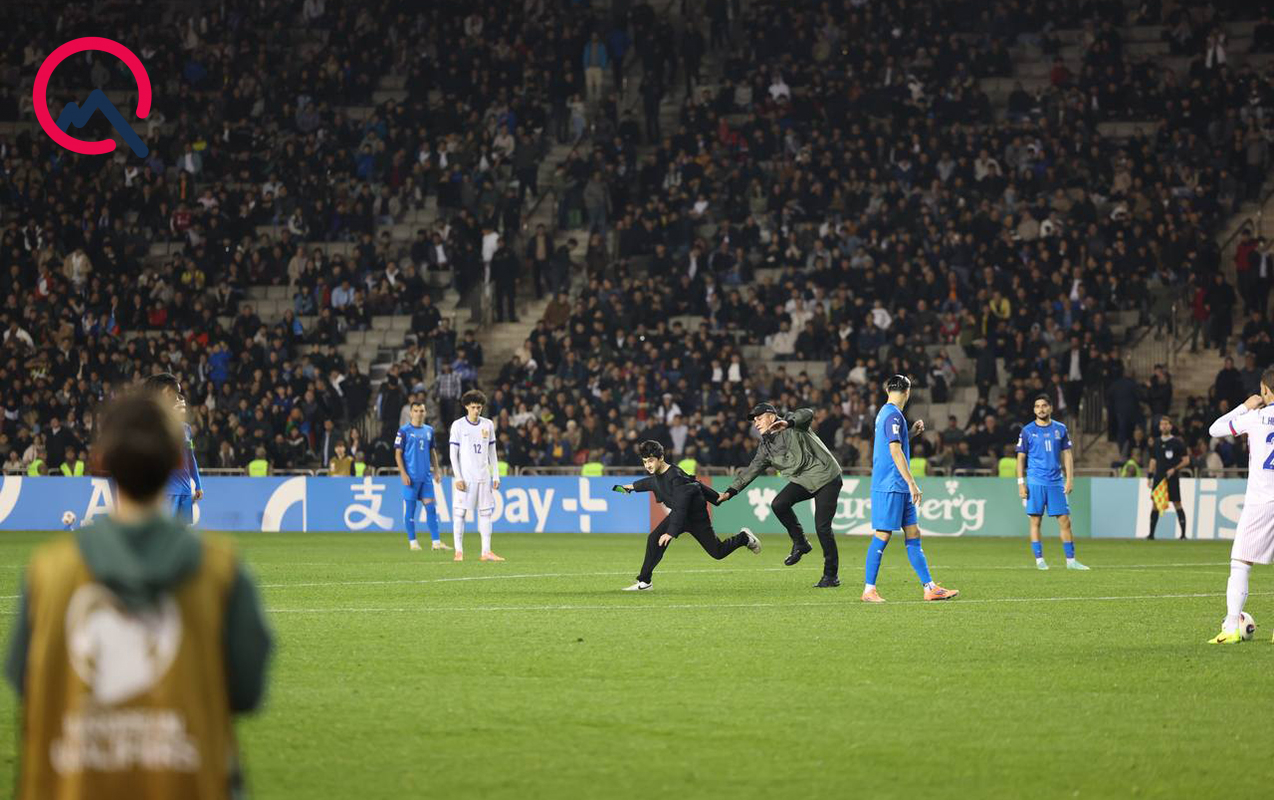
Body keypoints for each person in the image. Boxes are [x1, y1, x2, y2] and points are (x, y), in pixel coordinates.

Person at [4, 390, 272, 797]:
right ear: (171, 459)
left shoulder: (48, 573)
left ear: (101, 462)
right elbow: (249, 691)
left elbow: (23, 680)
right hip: (187, 781)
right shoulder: (221, 570)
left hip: (79, 784)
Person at [716, 403, 843, 588]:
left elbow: (807, 413)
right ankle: (801, 543)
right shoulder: (766, 446)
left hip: (827, 477)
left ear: (771, 416)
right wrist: (730, 492)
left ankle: (831, 576)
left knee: (822, 527)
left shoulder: (793, 423)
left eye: (759, 419)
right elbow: (751, 471)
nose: (756, 424)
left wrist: (788, 423)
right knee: (779, 504)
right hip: (805, 481)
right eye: (754, 421)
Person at [861, 375, 959, 603]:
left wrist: (910, 433)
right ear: (908, 391)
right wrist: (912, 482)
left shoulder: (888, 414)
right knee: (883, 535)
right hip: (891, 485)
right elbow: (895, 451)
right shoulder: (893, 414)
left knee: (913, 533)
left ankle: (930, 587)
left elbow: (894, 443)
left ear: (888, 389)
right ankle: (869, 589)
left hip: (897, 485)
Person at [615, 441, 759, 591]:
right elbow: (652, 483)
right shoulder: (660, 473)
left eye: (650, 461)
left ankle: (744, 538)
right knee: (653, 539)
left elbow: (681, 508)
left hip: (696, 518)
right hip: (680, 515)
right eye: (645, 462)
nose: (647, 465)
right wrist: (631, 487)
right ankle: (645, 582)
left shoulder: (675, 477)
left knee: (718, 552)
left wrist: (670, 532)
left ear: (661, 458)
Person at [1205, 369, 1274, 644]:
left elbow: (1215, 429)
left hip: (1260, 501)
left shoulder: (1255, 417)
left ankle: (1232, 627)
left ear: (1265, 390)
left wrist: (1245, 405)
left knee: (1241, 563)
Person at [1017, 395, 1087, 570]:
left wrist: (1069, 479)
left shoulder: (1061, 429)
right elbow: (1020, 458)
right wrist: (1020, 483)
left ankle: (1071, 561)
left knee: (1065, 521)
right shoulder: (1027, 431)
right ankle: (1039, 560)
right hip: (1035, 482)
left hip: (1056, 481)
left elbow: (1068, 454)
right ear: (1034, 410)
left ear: (1050, 408)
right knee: (1035, 521)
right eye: (1037, 406)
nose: (1041, 409)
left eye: (1044, 406)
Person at [143, 372, 203, 524]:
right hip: (166, 492)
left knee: (181, 533)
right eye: (171, 394)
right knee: (164, 534)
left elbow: (190, 459)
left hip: (184, 490)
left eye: (178, 395)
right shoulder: (152, 425)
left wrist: (198, 484)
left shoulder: (186, 429)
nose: (177, 399)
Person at [449, 390, 502, 561]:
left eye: (479, 407)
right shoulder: (458, 425)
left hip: (484, 476)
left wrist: (496, 475)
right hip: (466, 477)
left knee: (486, 513)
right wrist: (458, 477)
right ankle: (459, 551)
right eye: (473, 407)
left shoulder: (488, 424)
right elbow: (453, 454)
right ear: (466, 407)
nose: (476, 410)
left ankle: (486, 552)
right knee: (460, 513)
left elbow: (492, 452)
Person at [396, 399, 448, 551]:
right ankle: (413, 543)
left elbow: (432, 452)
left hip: (426, 478)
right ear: (411, 413)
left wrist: (436, 471)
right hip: (411, 477)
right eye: (416, 411)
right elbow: (398, 454)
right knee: (410, 511)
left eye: (422, 411)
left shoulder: (429, 430)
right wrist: (403, 473)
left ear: (425, 413)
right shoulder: (403, 431)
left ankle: (436, 543)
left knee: (431, 509)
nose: (419, 413)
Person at [1147, 415, 1189, 540]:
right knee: (1155, 504)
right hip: (1159, 477)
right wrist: (1149, 475)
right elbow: (1153, 460)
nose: (1164, 426)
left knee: (1177, 503)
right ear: (1160, 427)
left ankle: (1183, 535)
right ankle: (1151, 535)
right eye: (1162, 424)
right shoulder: (1157, 442)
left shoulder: (1177, 442)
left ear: (1171, 426)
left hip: (1172, 478)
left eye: (1166, 424)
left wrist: (1174, 469)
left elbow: (1186, 460)